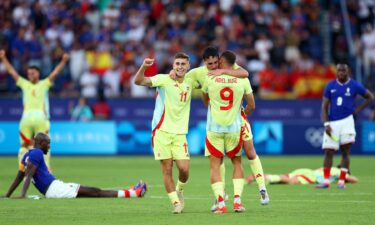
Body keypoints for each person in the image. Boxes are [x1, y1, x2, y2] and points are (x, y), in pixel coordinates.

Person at [184, 46, 269, 205]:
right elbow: (183, 77)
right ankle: (221, 195)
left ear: (220, 60)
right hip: (220, 119)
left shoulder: (229, 68)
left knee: (250, 152)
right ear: (204, 63)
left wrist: (223, 72)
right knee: (221, 160)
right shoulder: (198, 73)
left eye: (216, 62)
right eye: (210, 64)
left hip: (236, 118)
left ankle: (262, 188)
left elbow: (245, 73)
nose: (214, 66)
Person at [134, 53, 198, 214]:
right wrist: (144, 67)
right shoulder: (163, 79)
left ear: (188, 66)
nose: (180, 66)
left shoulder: (192, 80)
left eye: (183, 64)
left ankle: (180, 190)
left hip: (180, 134)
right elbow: (138, 81)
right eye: (177, 63)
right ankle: (176, 203)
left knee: (184, 169)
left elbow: (209, 74)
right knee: (167, 169)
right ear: (173, 66)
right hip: (161, 131)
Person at [3, 133, 147, 199]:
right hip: (55, 190)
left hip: (55, 188)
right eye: (48, 143)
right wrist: (22, 195)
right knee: (95, 192)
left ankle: (132, 192)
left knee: (93, 193)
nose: (49, 146)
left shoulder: (27, 155)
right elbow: (27, 176)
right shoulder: (37, 154)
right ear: (41, 143)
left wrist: (7, 195)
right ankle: (134, 193)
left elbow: (19, 177)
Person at [201, 50, 254, 213]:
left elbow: (205, 99)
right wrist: (240, 115)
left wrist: (213, 108)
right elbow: (251, 105)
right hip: (234, 129)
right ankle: (237, 202)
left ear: (222, 62)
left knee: (215, 167)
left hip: (214, 128)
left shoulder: (209, 78)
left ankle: (221, 204)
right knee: (237, 163)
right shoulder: (243, 79)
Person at [0, 49, 70, 170]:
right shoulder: (39, 83)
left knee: (24, 146)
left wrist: (3, 58)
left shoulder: (37, 83)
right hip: (39, 118)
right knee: (43, 144)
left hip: (26, 118)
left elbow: (13, 72)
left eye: (33, 73)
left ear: (38, 73)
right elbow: (55, 73)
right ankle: (45, 169)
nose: (31, 75)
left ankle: (22, 170)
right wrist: (63, 61)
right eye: (29, 73)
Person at [316, 64, 374, 189]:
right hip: (333, 122)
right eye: (339, 71)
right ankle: (326, 181)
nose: (341, 73)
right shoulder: (330, 85)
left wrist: (356, 111)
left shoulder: (354, 85)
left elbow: (370, 97)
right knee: (328, 151)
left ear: (349, 72)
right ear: (336, 72)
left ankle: (342, 181)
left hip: (347, 121)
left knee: (345, 151)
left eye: (344, 71)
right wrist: (326, 124)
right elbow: (324, 106)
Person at [246, 167, 358, 185]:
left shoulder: (332, 169)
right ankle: (260, 177)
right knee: (290, 181)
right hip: (311, 176)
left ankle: (259, 176)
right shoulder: (338, 171)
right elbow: (354, 180)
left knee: (283, 178)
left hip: (306, 171)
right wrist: (347, 176)